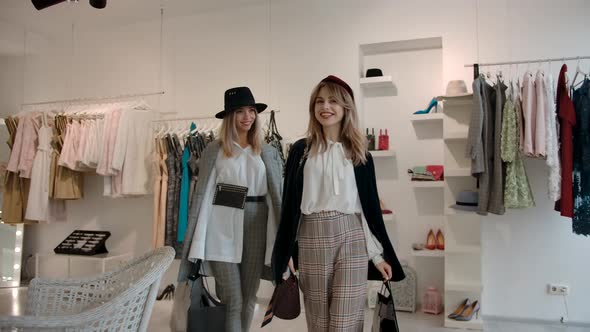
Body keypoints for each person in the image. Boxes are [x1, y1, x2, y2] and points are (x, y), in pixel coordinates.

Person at [271, 75, 405, 331]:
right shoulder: (301, 151)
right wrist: (286, 250)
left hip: (351, 238)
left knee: (347, 321)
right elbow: (289, 207)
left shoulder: (359, 153)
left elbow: (367, 211)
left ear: (346, 107)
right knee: (319, 321)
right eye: (319, 101)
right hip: (311, 238)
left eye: (333, 101)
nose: (325, 107)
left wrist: (376, 255)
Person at [177, 86, 283, 332]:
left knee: (249, 298)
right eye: (239, 111)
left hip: (257, 225)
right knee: (233, 298)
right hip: (221, 228)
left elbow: (276, 196)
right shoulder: (214, 150)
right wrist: (197, 241)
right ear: (229, 116)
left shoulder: (266, 151)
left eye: (251, 111)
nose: (247, 116)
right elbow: (203, 196)